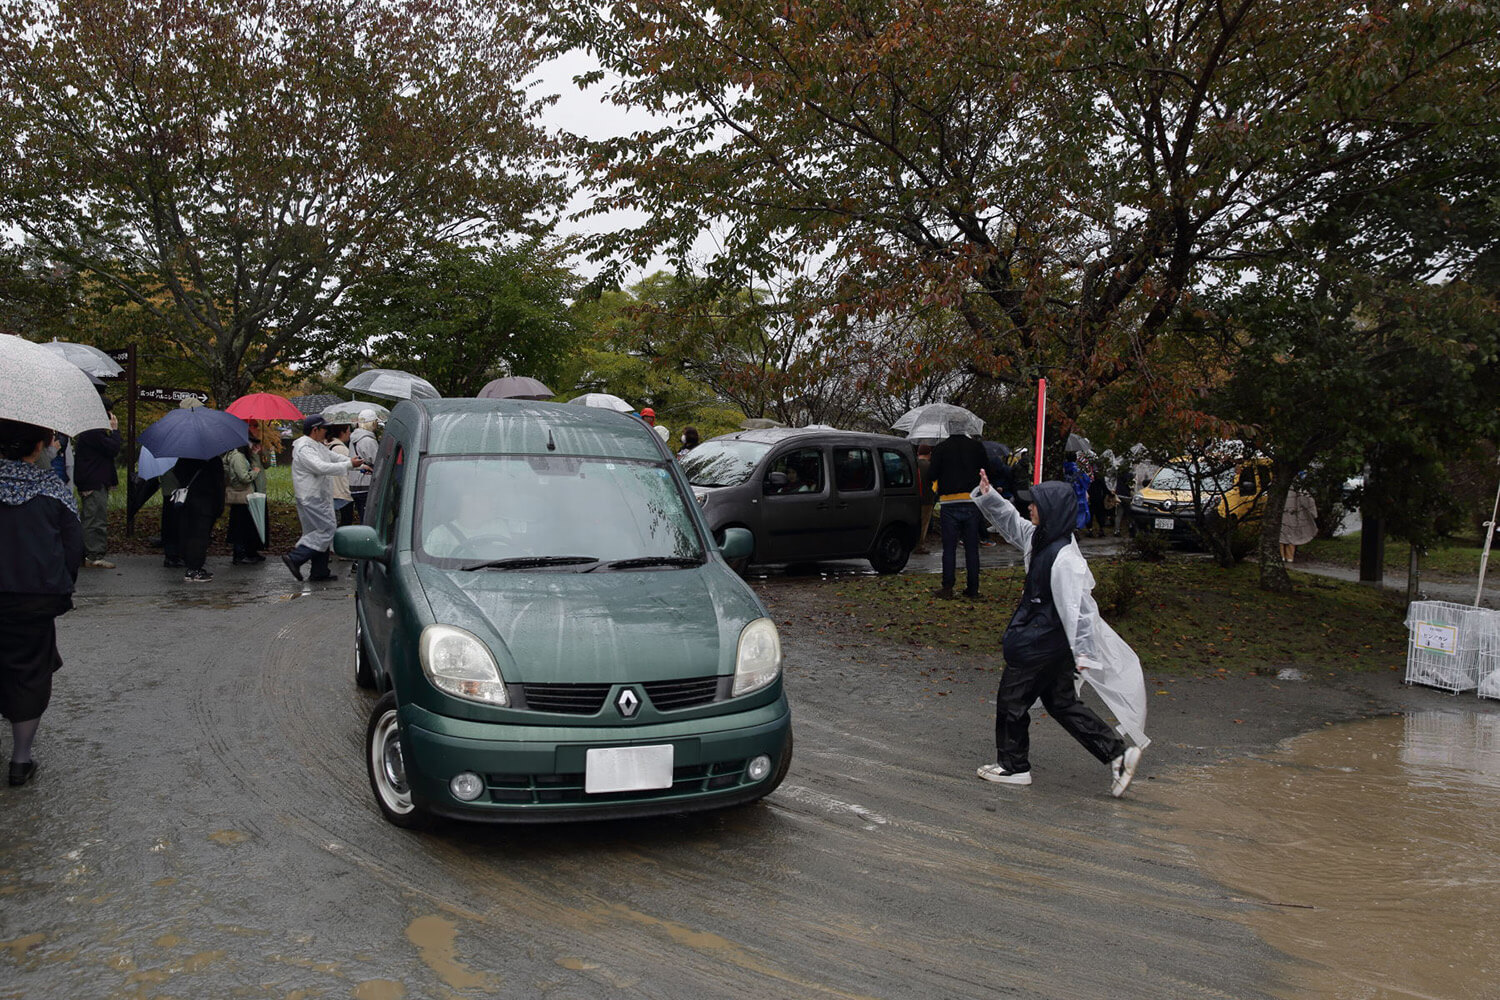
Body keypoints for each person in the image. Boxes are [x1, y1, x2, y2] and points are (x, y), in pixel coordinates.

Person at [971, 470, 1149, 796]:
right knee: (1060, 701)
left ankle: (1014, 767)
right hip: (1050, 640)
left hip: (1041, 641)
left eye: (1035, 504)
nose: (1029, 509)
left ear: (1051, 509)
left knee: (1012, 700)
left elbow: (1081, 606)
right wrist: (989, 496)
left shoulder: (1065, 557)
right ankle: (1118, 754)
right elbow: (1012, 523)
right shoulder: (1041, 537)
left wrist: (1084, 653)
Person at [0, 418, 84, 786]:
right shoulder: (53, 489)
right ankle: (20, 761)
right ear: (38, 447)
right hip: (34, 598)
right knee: (30, 672)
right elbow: (73, 547)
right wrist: (62, 587)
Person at [282, 415, 360, 582]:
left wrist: (356, 463)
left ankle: (319, 571)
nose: (327, 432)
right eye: (324, 429)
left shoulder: (316, 445)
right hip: (311, 497)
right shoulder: (304, 448)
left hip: (317, 496)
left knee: (316, 530)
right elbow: (321, 467)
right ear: (315, 430)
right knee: (327, 529)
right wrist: (350, 465)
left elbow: (334, 458)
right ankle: (296, 557)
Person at [926, 432, 988, 599]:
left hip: (949, 503)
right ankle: (973, 589)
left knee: (949, 549)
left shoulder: (941, 448)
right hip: (971, 501)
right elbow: (986, 471)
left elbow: (931, 475)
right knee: (972, 549)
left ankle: (947, 588)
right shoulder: (977, 447)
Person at [72, 399, 121, 569]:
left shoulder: (92, 432)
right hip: (93, 481)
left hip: (92, 479)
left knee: (92, 517)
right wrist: (115, 431)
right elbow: (113, 448)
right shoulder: (93, 432)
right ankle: (93, 555)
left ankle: (89, 554)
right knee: (95, 519)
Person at [172, 452, 225, 582]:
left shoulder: (184, 457)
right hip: (205, 503)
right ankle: (194, 569)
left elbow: (177, 473)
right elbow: (219, 485)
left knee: (188, 533)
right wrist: (219, 507)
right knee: (200, 537)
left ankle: (190, 565)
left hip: (187, 501)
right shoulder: (214, 460)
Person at [223, 441, 264, 564]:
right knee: (240, 526)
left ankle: (242, 552)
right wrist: (255, 471)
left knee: (241, 525)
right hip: (241, 495)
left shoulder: (237, 455)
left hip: (241, 495)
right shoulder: (238, 457)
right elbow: (244, 477)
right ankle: (239, 554)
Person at [348, 410, 380, 523]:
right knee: (369, 518)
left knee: (362, 514)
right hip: (366, 483)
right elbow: (378, 461)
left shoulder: (353, 438)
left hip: (354, 483)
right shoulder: (368, 440)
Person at [326, 424, 356, 528]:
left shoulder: (327, 446)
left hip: (328, 493)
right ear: (342, 432)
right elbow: (350, 469)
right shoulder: (342, 450)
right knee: (344, 526)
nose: (350, 433)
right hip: (342, 493)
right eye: (348, 430)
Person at [1280, 487, 1318, 563]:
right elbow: (1308, 501)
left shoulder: (1276, 487)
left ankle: (1281, 557)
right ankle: (1290, 558)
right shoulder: (1298, 488)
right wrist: (1313, 513)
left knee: (1280, 537)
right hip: (1293, 518)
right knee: (1292, 537)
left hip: (1280, 518)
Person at [914, 444, 935, 555]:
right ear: (929, 454)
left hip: (912, 497)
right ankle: (919, 545)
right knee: (924, 523)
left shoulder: (913, 464)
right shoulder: (930, 466)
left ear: (918, 453)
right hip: (927, 498)